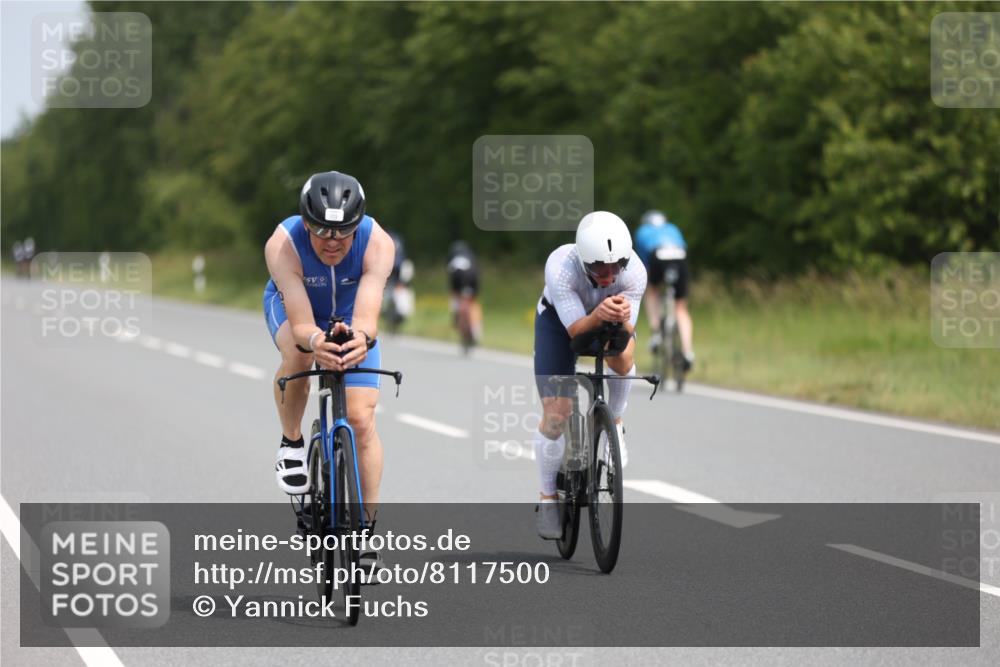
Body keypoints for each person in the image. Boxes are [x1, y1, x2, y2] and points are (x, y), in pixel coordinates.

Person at [262, 170, 394, 569]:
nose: (333, 241)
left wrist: (359, 339)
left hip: (351, 316)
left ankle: (367, 530)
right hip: (296, 310)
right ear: (305, 222)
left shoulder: (378, 244)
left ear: (357, 225)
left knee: (361, 419)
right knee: (300, 355)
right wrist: (318, 342)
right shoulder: (283, 244)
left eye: (343, 231)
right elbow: (302, 324)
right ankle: (292, 443)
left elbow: (369, 317)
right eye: (321, 230)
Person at [531, 212, 646, 539]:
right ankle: (548, 497)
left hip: (606, 317)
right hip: (559, 323)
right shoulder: (560, 266)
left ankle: (617, 422)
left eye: (616, 267)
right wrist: (598, 313)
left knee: (622, 359)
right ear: (583, 261)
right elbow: (577, 335)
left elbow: (626, 335)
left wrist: (620, 321)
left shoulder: (635, 271)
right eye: (599, 269)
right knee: (557, 414)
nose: (610, 276)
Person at [634, 209, 694, 369]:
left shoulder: (643, 231)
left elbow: (643, 264)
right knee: (680, 307)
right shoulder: (672, 228)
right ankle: (687, 351)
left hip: (657, 255)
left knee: (652, 291)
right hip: (680, 256)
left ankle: (656, 333)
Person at [446, 240, 482, 347]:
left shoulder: (453, 262)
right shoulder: (470, 258)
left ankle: (462, 323)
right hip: (472, 281)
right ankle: (476, 330)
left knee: (459, 305)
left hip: (462, 282)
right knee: (473, 305)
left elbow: (452, 284)